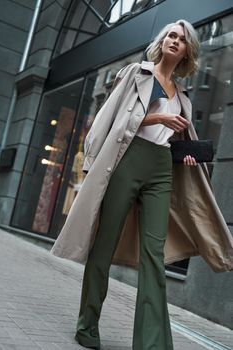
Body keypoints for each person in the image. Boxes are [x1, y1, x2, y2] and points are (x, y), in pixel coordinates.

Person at [51, 19, 233, 350]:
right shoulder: (137, 73)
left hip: (162, 167)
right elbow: (115, 117)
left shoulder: (184, 97)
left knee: (154, 254)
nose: (175, 41)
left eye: (182, 39)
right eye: (171, 36)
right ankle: (87, 325)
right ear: (163, 41)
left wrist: (186, 155)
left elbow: (173, 137)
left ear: (188, 51)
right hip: (127, 160)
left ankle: (152, 343)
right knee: (103, 245)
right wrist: (158, 117)